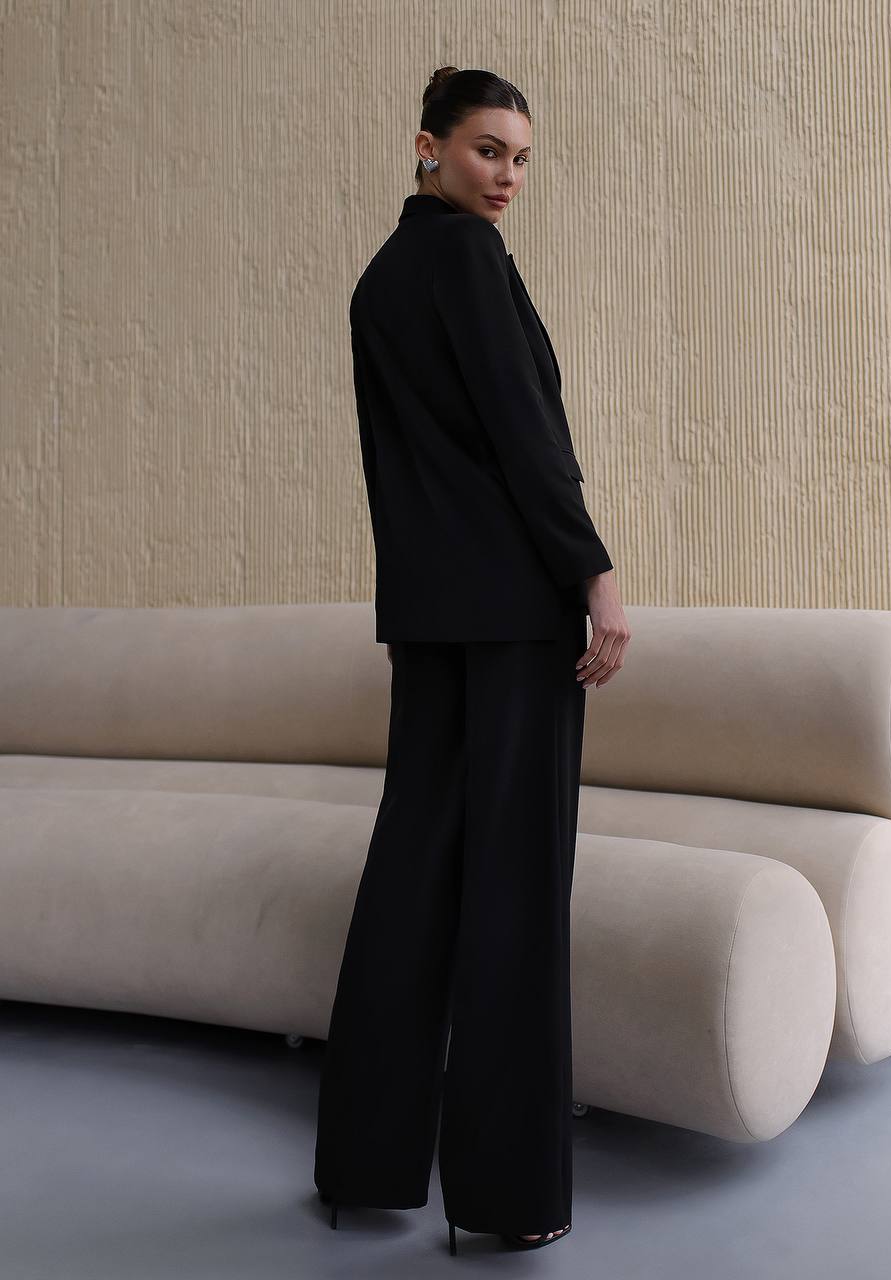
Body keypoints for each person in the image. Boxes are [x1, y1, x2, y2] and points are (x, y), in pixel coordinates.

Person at [314, 65, 630, 1255]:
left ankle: (364, 1159)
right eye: (488, 149)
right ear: (429, 146)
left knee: (412, 876)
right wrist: (591, 570)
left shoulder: (378, 282)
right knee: (511, 896)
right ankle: (504, 1201)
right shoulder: (467, 263)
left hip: (433, 618)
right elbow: (525, 434)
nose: (505, 176)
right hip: (511, 620)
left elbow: (403, 471)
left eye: (519, 158)